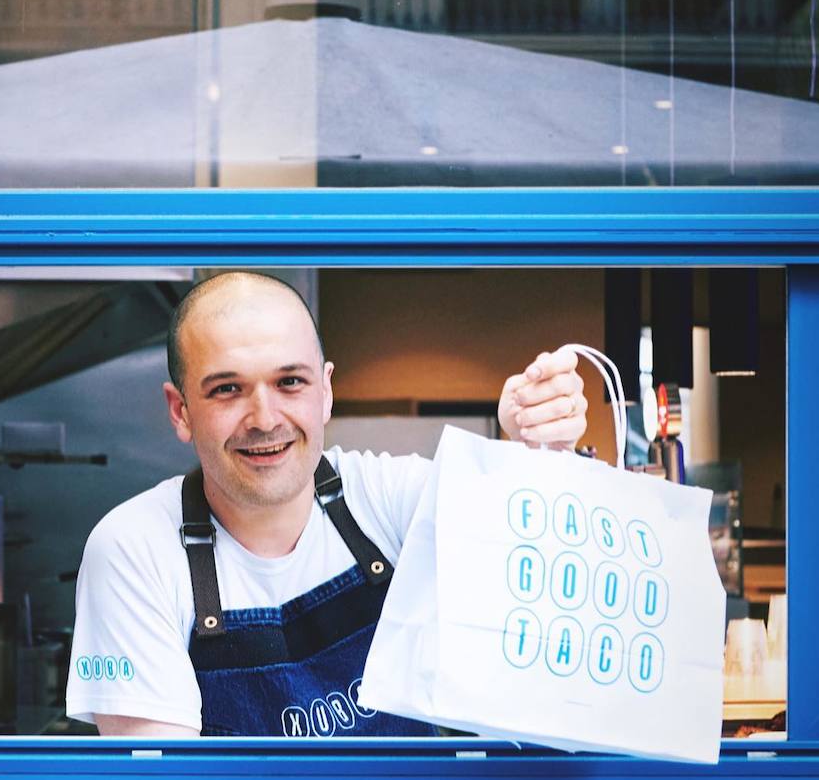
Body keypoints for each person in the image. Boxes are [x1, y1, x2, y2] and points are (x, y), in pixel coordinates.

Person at [66, 272, 588, 738]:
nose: (264, 418)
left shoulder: (391, 498)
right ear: (181, 411)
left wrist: (533, 453)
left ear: (327, 391)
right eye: (228, 389)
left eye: (289, 381)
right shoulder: (134, 550)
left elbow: (541, 574)